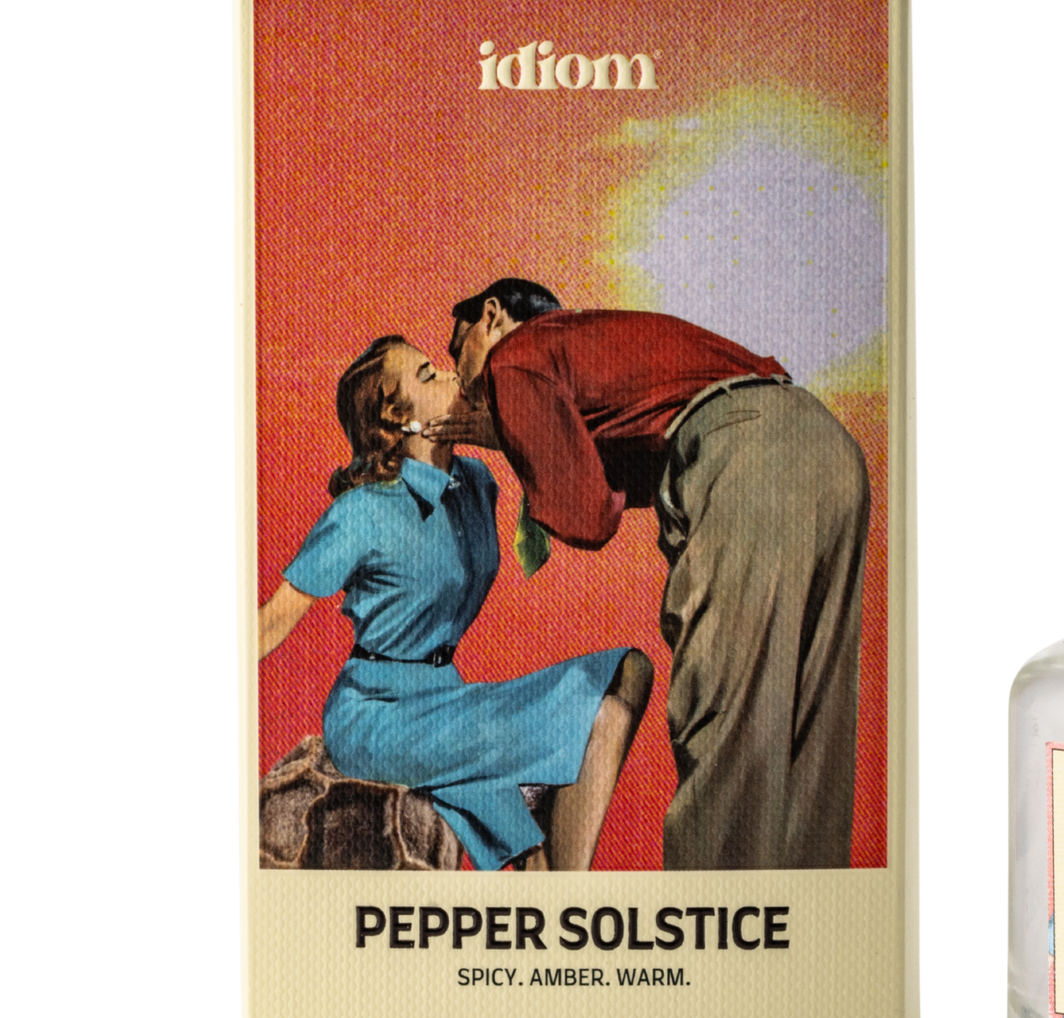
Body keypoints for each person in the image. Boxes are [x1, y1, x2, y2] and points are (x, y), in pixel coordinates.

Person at [431, 279, 869, 871]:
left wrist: (512, 431)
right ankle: (809, 925)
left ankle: (718, 922)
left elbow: (586, 517)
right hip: (824, 445)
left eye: (457, 351)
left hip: (752, 460)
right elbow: (621, 471)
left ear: (491, 318)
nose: (461, 380)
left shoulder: (515, 356)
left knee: (725, 719)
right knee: (808, 739)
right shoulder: (582, 348)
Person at [257, 334, 653, 872]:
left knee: (630, 670)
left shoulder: (476, 482)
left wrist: (505, 433)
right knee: (601, 715)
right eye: (429, 375)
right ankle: (569, 896)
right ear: (399, 418)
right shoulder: (361, 513)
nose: (450, 376)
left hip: (448, 699)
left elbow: (581, 498)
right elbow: (268, 626)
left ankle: (559, 890)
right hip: (378, 716)